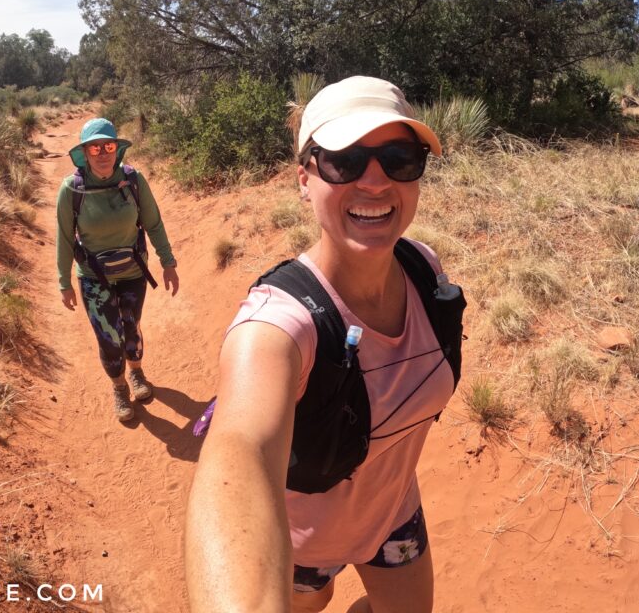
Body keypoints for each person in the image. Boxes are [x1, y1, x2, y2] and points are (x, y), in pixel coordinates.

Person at [186, 77, 464, 612]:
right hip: (296, 548)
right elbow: (238, 452)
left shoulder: (422, 267)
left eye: (400, 158)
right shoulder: (274, 328)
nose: (377, 183)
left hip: (393, 518)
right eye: (345, 161)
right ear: (304, 178)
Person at [56, 118, 179, 422]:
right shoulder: (72, 189)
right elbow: (64, 237)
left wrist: (168, 262)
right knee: (109, 338)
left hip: (132, 272)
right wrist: (64, 281)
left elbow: (153, 223)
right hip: (93, 277)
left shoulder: (133, 180)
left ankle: (136, 373)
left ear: (117, 149)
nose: (102, 153)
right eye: (94, 147)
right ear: (84, 152)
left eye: (108, 145)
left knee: (131, 328)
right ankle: (119, 387)